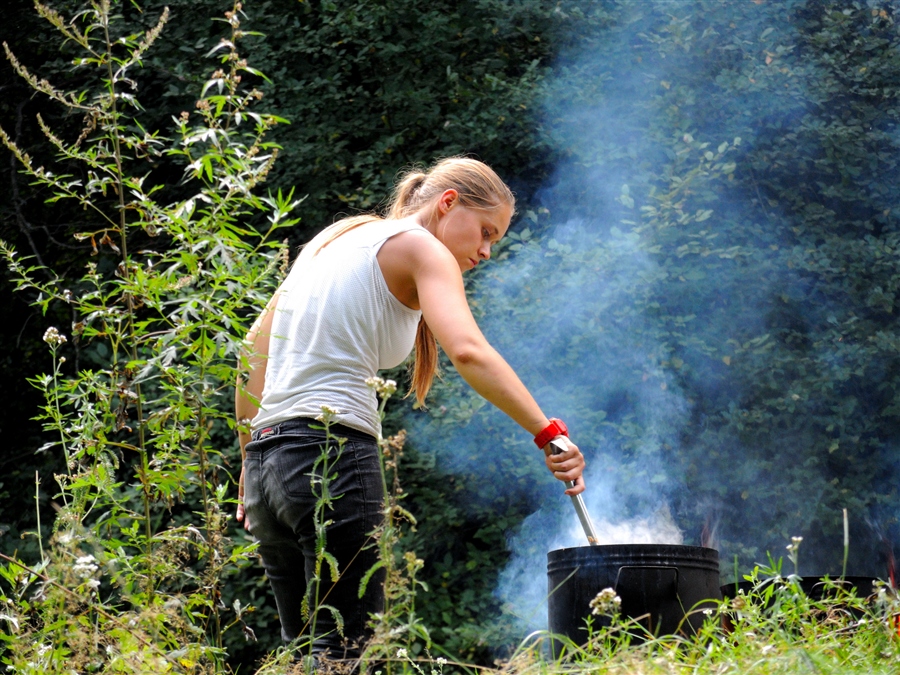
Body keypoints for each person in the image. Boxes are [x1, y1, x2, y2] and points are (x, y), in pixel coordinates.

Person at [234, 157, 585, 664]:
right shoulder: (422, 247)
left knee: (307, 655)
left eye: (495, 241)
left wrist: (250, 463)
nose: (486, 251)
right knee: (345, 652)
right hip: (328, 457)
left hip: (269, 470)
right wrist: (548, 432)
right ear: (447, 204)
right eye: (485, 231)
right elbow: (468, 351)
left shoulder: (337, 236)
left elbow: (252, 352)